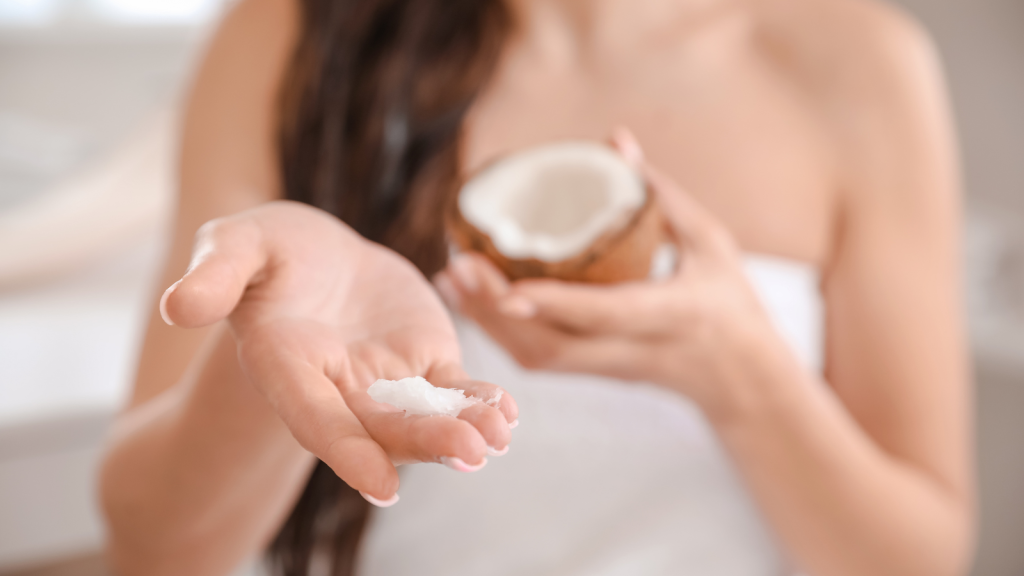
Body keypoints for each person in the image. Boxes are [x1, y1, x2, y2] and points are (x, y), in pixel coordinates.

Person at [98, 0, 974, 574]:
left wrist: (740, 373)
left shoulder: (859, 63)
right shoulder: (299, 36)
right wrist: (266, 368)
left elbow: (920, 557)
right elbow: (153, 546)